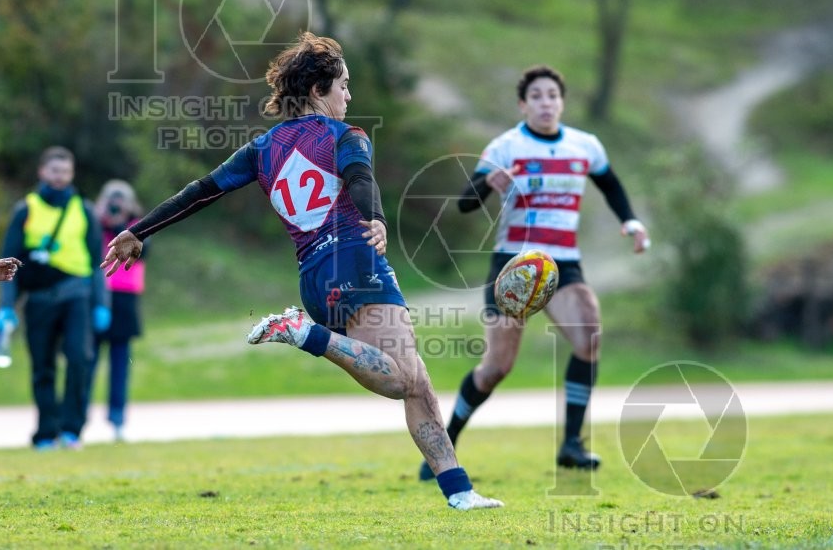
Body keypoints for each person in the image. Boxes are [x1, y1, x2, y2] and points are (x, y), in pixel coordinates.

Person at [101, 32, 502, 511]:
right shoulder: (345, 135)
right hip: (355, 261)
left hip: (314, 275)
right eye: (344, 85)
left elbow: (201, 191)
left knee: (417, 380)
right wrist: (373, 215)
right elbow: (359, 177)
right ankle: (302, 332)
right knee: (401, 380)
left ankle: (459, 492)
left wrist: (140, 230)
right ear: (318, 90)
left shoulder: (263, 147)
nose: (349, 96)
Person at [419, 65, 650, 481]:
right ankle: (443, 446)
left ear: (562, 102)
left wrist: (630, 221)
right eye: (537, 96)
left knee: (589, 336)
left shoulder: (585, 146)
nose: (547, 103)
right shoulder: (506, 146)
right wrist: (489, 181)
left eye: (553, 95)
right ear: (523, 104)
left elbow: (611, 185)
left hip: (563, 263)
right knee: (496, 368)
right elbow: (465, 203)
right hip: (514, 264)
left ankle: (572, 445)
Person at [0, 146, 111, 450]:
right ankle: (46, 432)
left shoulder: (83, 210)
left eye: (65, 172)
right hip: (39, 299)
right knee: (42, 366)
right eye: (54, 171)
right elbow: (7, 263)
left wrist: (101, 303)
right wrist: (7, 306)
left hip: (76, 295)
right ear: (42, 172)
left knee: (79, 358)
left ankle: (72, 429)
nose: (60, 177)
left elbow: (97, 262)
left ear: (72, 174)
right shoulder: (26, 210)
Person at [88, 180, 146, 442]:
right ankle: (79, 416)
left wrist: (121, 225)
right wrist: (104, 221)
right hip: (97, 296)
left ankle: (117, 419)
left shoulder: (138, 225)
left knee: (120, 363)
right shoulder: (94, 224)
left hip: (125, 298)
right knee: (87, 360)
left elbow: (145, 252)